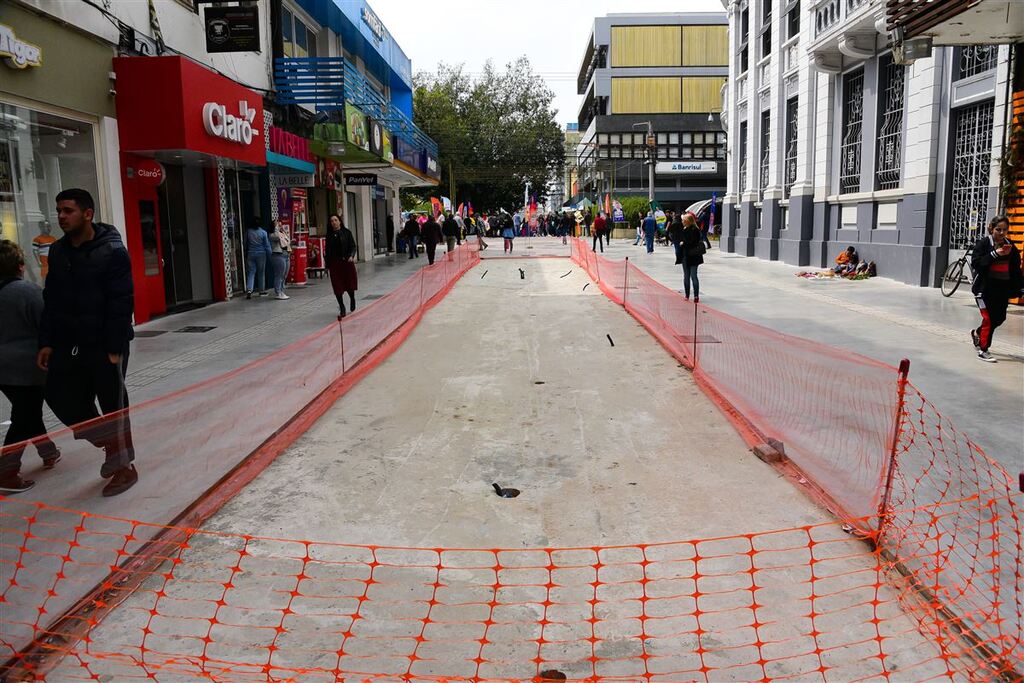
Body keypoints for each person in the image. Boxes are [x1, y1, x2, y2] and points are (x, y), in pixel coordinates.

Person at [37, 188, 137, 496]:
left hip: (105, 344)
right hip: (68, 342)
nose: (61, 217)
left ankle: (124, 467)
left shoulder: (113, 251)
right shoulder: (58, 251)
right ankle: (108, 441)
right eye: (59, 211)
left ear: (87, 214)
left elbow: (122, 302)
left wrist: (113, 348)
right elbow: (51, 298)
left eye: (68, 211)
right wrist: (47, 341)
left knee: (113, 404)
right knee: (58, 394)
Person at [0, 240, 61, 493]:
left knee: (27, 411)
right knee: (24, 417)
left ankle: (48, 450)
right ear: (21, 266)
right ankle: (6, 471)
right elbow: (47, 325)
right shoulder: (28, 292)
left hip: (2, 372)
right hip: (28, 368)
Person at [970, 216, 1023, 362]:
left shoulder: (1010, 246)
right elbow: (977, 263)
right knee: (988, 318)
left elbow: (1015, 269)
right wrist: (995, 254)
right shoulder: (984, 244)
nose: (1001, 232)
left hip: (1001, 289)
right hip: (984, 290)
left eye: (1005, 230)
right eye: (998, 229)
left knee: (999, 318)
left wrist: (1020, 287)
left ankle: (978, 334)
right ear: (991, 228)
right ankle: (983, 350)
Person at [325, 214, 357, 319]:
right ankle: (342, 306)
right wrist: (327, 264)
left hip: (346, 262)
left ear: (339, 221)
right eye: (332, 221)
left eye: (335, 220)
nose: (334, 222)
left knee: (349, 284)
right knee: (337, 286)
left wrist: (351, 255)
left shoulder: (347, 232)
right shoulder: (329, 235)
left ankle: (352, 298)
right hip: (335, 264)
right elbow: (327, 251)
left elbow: (353, 246)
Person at [680, 213, 705, 302]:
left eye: (683, 220)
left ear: (688, 221)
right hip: (694, 256)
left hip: (688, 256)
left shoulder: (689, 230)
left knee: (687, 276)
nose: (682, 222)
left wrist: (683, 243)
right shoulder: (696, 230)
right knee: (693, 276)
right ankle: (695, 296)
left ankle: (688, 295)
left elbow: (691, 242)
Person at [244, 220, 272, 299]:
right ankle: (261, 291)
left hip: (251, 253)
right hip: (261, 254)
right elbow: (267, 245)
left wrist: (246, 251)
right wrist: (270, 255)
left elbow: (245, 243)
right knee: (261, 272)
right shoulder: (263, 232)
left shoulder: (248, 232)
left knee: (251, 272)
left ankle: (249, 289)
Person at [269, 220, 291, 300]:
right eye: (278, 225)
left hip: (286, 255)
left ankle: (282, 291)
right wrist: (276, 228)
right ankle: (278, 292)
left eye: (280, 225)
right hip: (278, 255)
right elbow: (277, 237)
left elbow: (288, 240)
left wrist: (283, 230)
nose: (280, 226)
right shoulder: (272, 234)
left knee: (284, 275)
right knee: (279, 275)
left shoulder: (282, 233)